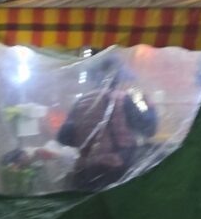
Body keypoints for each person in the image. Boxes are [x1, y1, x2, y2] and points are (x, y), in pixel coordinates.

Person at [56, 56, 157, 191]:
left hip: (86, 172)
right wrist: (150, 107)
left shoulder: (82, 102)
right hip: (118, 171)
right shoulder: (124, 100)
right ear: (119, 78)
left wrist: (87, 137)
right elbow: (149, 129)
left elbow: (63, 137)